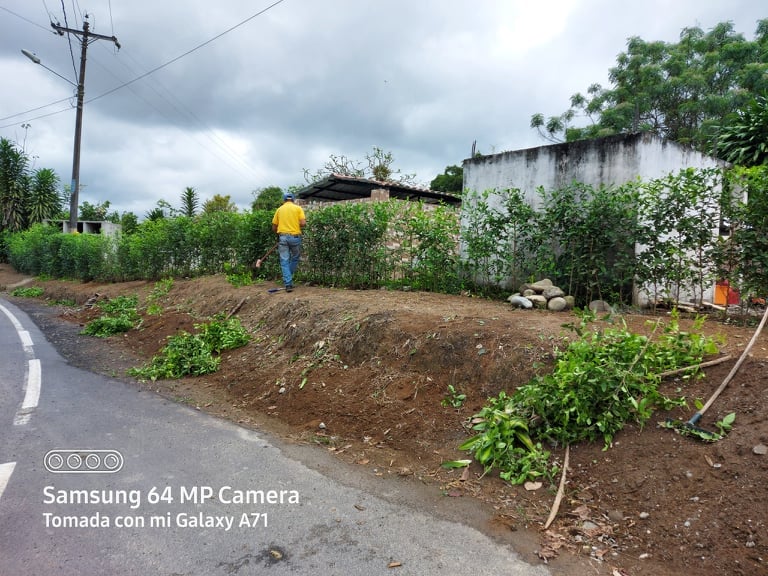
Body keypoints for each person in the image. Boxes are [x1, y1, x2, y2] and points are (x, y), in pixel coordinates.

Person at [271, 192, 306, 292]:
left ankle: (288, 283)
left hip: (283, 237)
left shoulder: (279, 210)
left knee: (284, 261)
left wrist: (280, 233)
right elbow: (303, 223)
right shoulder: (298, 208)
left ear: (284, 200)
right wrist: (295, 223)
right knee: (295, 257)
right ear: (293, 200)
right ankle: (288, 279)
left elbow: (274, 227)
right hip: (295, 237)